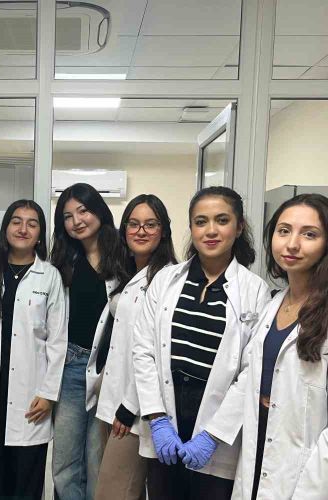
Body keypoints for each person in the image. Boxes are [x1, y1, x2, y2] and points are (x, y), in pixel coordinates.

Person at [215, 193, 328, 499]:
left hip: (308, 479)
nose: (292, 244)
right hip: (257, 457)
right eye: (284, 231)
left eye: (309, 234)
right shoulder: (274, 304)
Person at [133, 186, 269, 500]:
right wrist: (157, 419)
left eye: (222, 220)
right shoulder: (166, 280)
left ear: (239, 227)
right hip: (166, 417)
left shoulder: (255, 290)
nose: (210, 231)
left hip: (216, 426)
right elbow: (143, 351)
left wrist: (213, 435)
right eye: (200, 221)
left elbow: (251, 371)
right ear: (191, 227)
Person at [0, 199, 67, 500]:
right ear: (6, 229)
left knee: (25, 487)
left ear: (40, 234)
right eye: (16, 221)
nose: (23, 228)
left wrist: (49, 393)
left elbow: (57, 340)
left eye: (32, 223)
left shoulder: (49, 276)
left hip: (31, 396)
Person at [92, 194, 178, 500]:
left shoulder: (168, 279)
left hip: (134, 409)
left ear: (163, 231)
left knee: (113, 493)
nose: (141, 231)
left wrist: (130, 407)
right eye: (134, 224)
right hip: (112, 399)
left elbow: (155, 351)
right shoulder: (129, 273)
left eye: (150, 225)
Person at [50, 183, 128, 500]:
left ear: (98, 209)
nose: (76, 221)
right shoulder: (64, 260)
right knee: (64, 460)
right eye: (68, 216)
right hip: (70, 365)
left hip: (108, 369)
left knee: (97, 458)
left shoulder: (124, 255)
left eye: (82, 210)